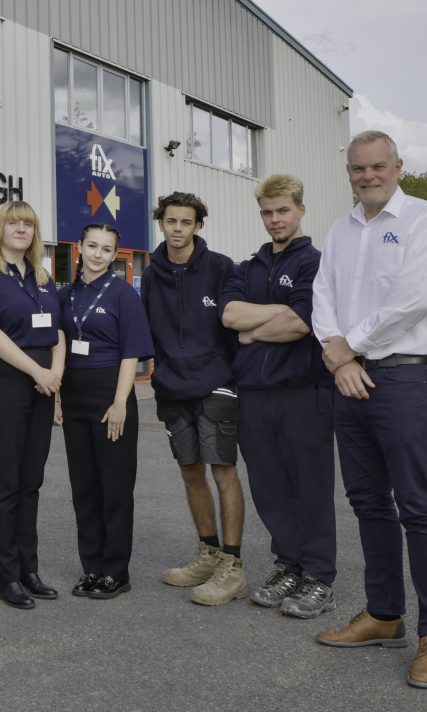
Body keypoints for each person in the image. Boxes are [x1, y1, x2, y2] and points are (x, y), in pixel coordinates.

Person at [312, 130, 427, 688]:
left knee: (418, 508)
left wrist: (353, 345)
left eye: (377, 167)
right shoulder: (340, 229)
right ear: (347, 172)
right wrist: (338, 353)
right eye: (357, 169)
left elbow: (415, 297)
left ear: (398, 166)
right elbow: (322, 298)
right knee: (368, 502)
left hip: (405, 378)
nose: (367, 176)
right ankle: (383, 614)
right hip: (349, 376)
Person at [221, 175, 336, 618]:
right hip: (254, 396)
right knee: (269, 488)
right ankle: (289, 564)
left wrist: (254, 331)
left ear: (300, 210)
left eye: (282, 211)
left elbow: (302, 323)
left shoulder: (315, 264)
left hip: (304, 393)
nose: (275, 220)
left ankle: (319, 576)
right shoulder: (247, 268)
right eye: (267, 212)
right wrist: (264, 321)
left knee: (311, 487)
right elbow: (230, 314)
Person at [140, 191, 246, 606]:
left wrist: (230, 376)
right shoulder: (152, 273)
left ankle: (232, 567)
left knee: (223, 471)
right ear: (161, 223)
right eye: (171, 222)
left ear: (198, 225)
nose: (178, 229)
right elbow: (147, 327)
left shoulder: (220, 267)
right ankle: (208, 553)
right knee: (190, 471)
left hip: (216, 384)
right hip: (172, 387)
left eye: (186, 222)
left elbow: (235, 326)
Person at [0, 200, 66, 610]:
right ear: (0, 228)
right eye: (13, 222)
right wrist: (37, 373)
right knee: (6, 481)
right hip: (4, 381)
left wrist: (54, 378)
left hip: (42, 385)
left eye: (28, 224)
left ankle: (29, 569)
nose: (21, 229)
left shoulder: (42, 276)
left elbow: (57, 330)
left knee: (31, 480)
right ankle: (7, 576)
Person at [56, 224, 154, 599]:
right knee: (84, 488)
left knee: (114, 488)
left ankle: (116, 571)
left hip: (110, 393)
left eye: (106, 249)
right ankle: (91, 568)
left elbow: (131, 352)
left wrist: (119, 403)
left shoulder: (123, 294)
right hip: (75, 395)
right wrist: (59, 398)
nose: (97, 254)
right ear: (79, 247)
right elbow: (60, 347)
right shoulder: (67, 295)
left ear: (115, 255)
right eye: (92, 246)